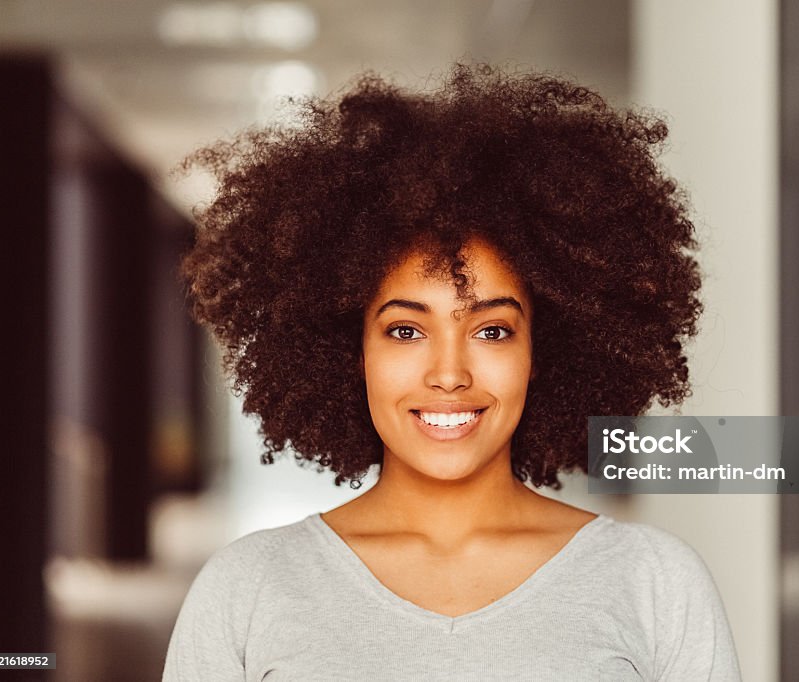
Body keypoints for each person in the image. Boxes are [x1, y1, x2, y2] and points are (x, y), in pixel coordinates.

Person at [163, 63, 741, 681]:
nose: (449, 373)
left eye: (491, 330)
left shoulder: (654, 581)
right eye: (406, 330)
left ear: (544, 350)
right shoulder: (246, 589)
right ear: (347, 349)